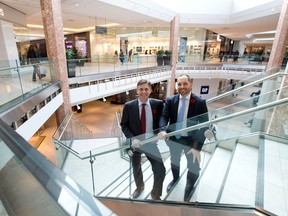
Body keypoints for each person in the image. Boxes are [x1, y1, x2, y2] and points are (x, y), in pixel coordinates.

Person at [158, 74, 209, 201]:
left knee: (193, 166)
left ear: (190, 84)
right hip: (174, 138)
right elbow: (164, 116)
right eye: (179, 84)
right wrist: (163, 130)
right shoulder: (171, 100)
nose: (182, 87)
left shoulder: (199, 102)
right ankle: (175, 179)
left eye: (185, 83)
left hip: (191, 141)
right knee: (174, 161)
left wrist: (197, 148)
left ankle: (189, 186)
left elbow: (204, 126)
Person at [121, 79, 166, 200]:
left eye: (146, 89)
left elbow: (162, 120)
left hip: (151, 143)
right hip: (136, 144)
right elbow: (124, 125)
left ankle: (155, 193)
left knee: (160, 169)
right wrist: (132, 139)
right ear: (137, 90)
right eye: (141, 89)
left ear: (150, 90)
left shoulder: (158, 104)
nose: (143, 92)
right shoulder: (129, 106)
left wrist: (162, 130)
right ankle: (139, 187)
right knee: (136, 168)